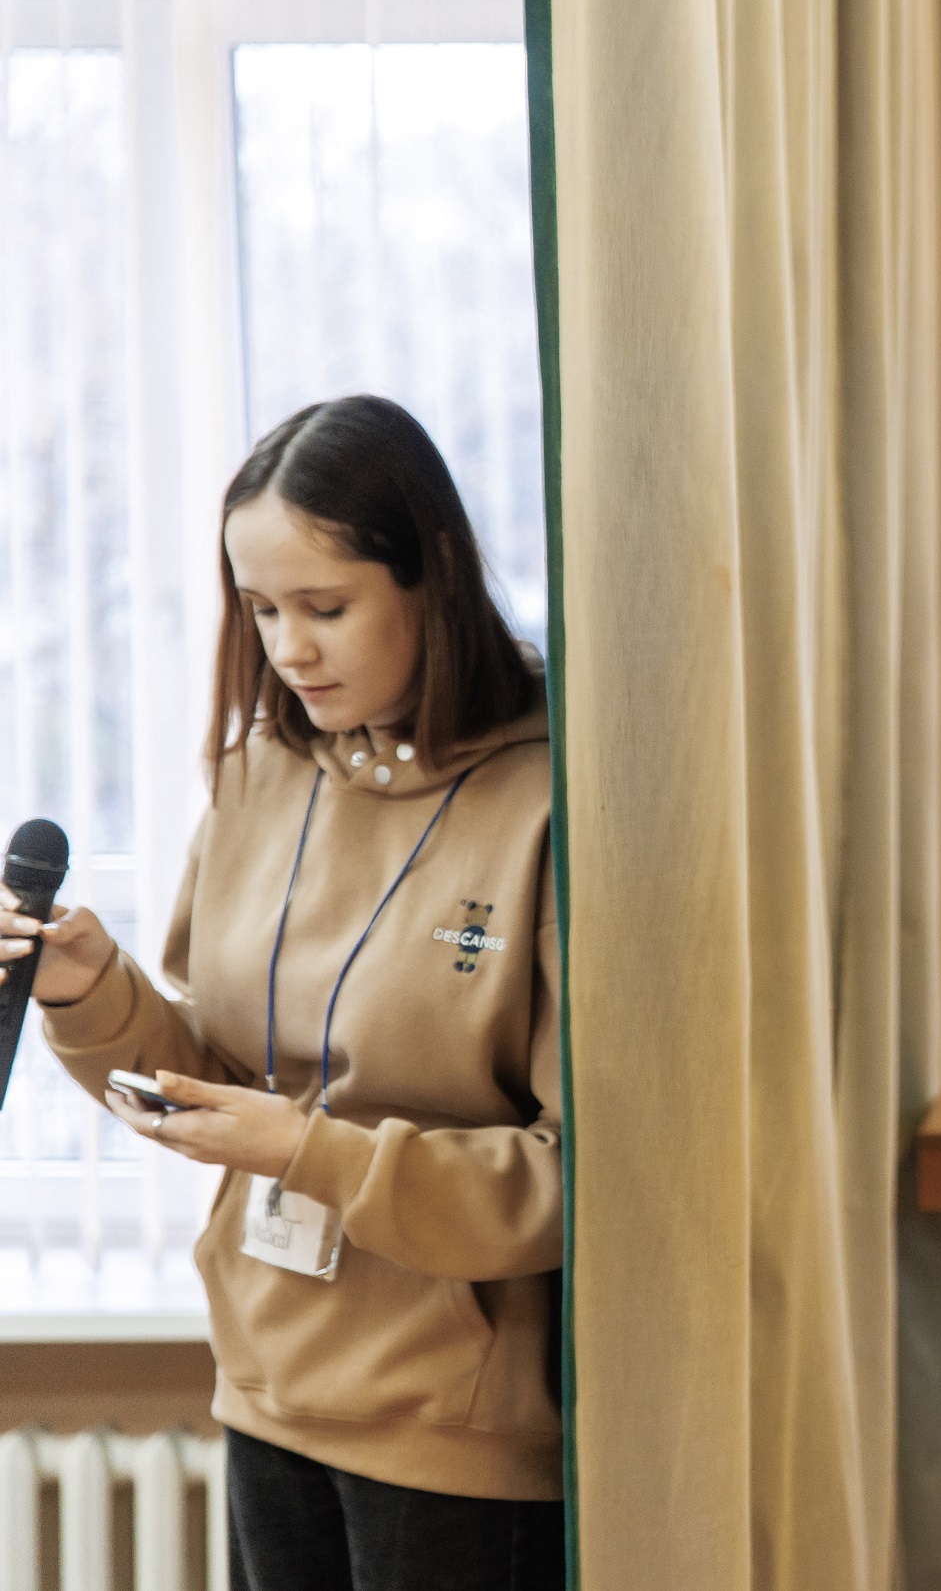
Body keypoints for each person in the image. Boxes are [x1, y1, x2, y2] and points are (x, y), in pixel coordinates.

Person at [13, 396, 565, 1591]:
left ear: (436, 575)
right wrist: (88, 988)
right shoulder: (256, 774)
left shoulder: (550, 800)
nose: (289, 648)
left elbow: (576, 1177)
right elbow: (219, 1077)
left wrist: (314, 1152)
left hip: (452, 1423)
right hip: (264, 1381)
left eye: (325, 606)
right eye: (261, 609)